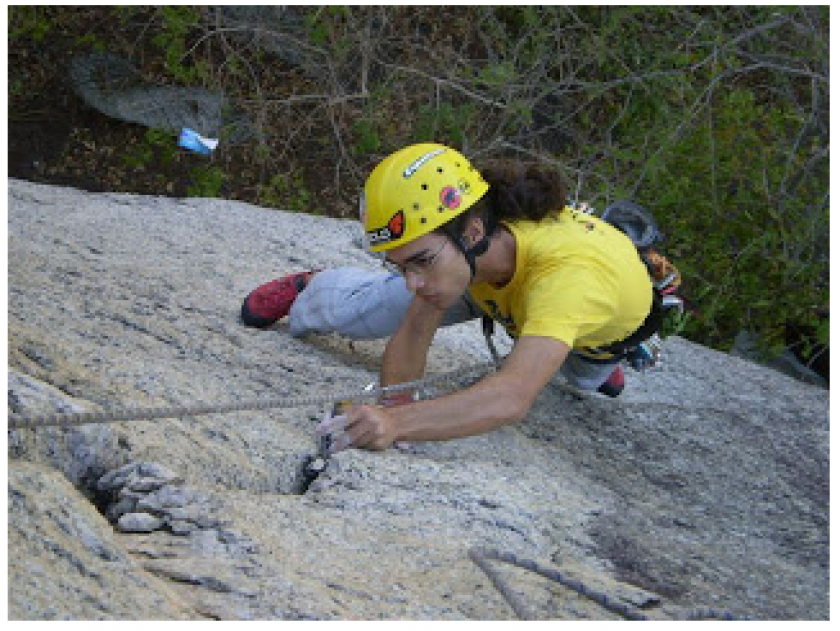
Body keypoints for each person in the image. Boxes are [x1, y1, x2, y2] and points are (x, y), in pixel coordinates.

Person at [241, 143, 654, 454]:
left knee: (583, 380)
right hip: (490, 282)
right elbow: (417, 323)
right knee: (367, 308)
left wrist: (397, 423)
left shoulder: (567, 280)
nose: (412, 282)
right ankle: (316, 285)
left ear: (473, 232)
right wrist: (396, 403)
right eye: (400, 266)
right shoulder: (461, 248)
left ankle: (600, 356)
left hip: (587, 320)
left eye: (419, 261)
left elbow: (512, 395)